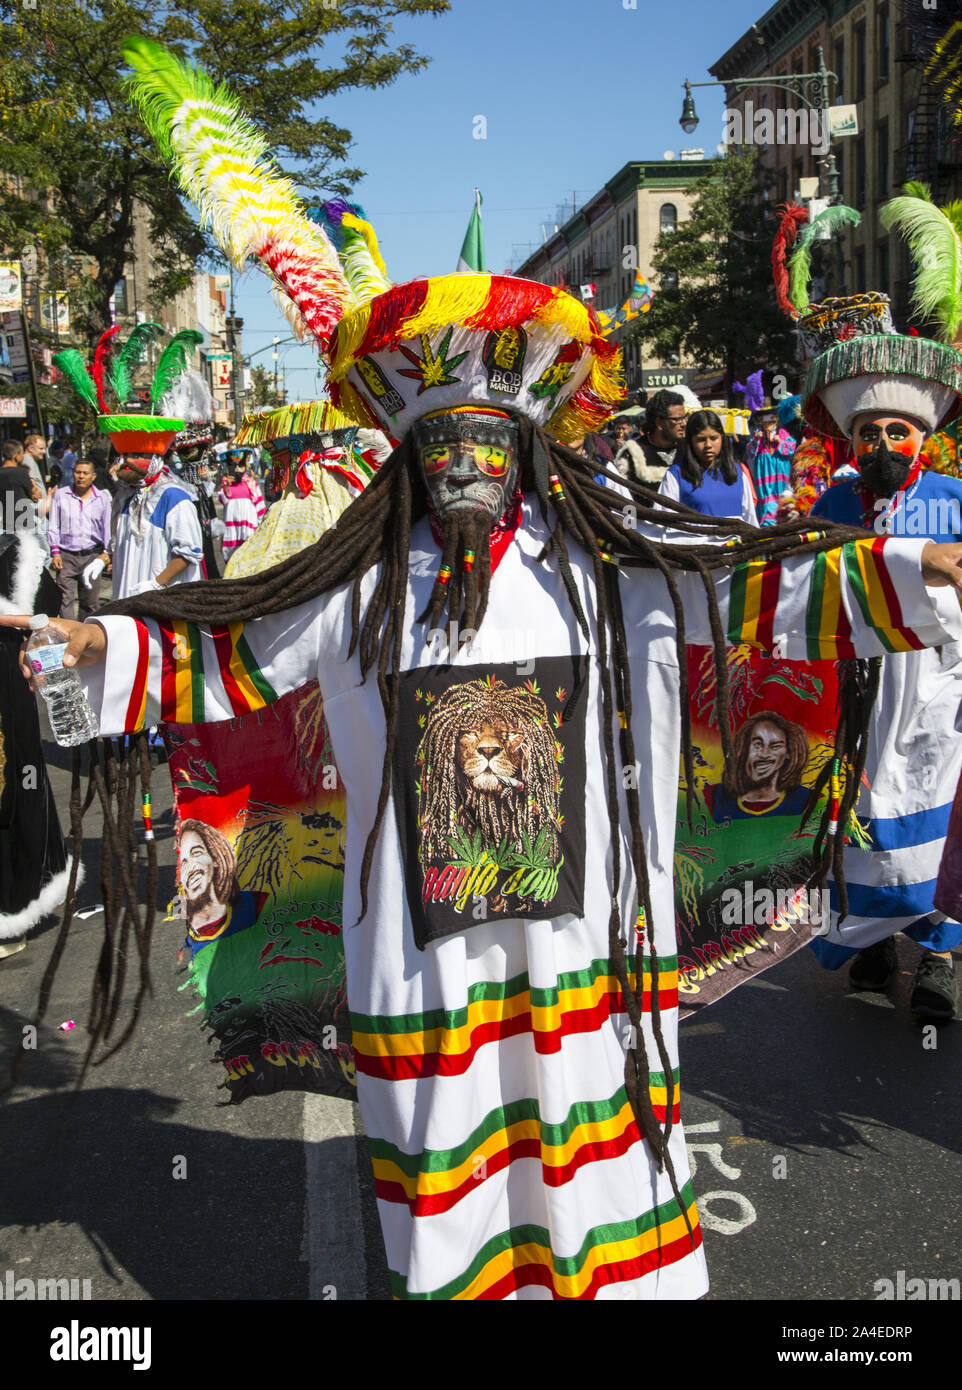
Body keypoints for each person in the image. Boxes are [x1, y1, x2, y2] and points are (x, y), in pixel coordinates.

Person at [14, 39, 962, 1303]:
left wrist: (913, 577)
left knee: (595, 1155)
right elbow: (223, 657)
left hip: (578, 925)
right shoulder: (349, 582)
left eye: (491, 446)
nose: (470, 469)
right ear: (411, 461)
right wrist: (93, 647)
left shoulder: (604, 557)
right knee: (451, 1184)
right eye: (446, 447)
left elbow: (755, 584)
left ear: (527, 454)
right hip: (423, 940)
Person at [806, 329, 962, 1019]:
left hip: (937, 690)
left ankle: (940, 957)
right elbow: (802, 587)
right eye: (868, 433)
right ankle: (871, 937)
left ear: (919, 439)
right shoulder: (834, 507)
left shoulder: (956, 498)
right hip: (857, 692)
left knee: (937, 815)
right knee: (860, 815)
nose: (881, 445)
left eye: (896, 432)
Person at [0, 529, 72, 954]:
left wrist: (27, 631)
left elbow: (45, 614)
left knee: (15, 783)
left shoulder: (17, 550)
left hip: (7, 681)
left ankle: (13, 908)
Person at [111, 448, 204, 599]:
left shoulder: (174, 496)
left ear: (155, 459)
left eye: (137, 455)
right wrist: (102, 559)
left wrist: (155, 584)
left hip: (160, 601)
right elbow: (122, 542)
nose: (128, 461)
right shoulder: (126, 495)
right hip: (128, 597)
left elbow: (188, 553)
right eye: (125, 455)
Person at [659, 409, 757, 524]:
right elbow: (664, 522)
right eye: (701, 440)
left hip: (735, 541)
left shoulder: (737, 473)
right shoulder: (676, 475)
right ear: (690, 442)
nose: (708, 445)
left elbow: (750, 520)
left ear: (722, 438)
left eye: (714, 438)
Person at [708, 712, 811, 821]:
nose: (764, 754)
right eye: (757, 744)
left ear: (788, 753)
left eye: (775, 746)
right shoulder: (712, 798)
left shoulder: (807, 801)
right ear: (745, 747)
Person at [47, 458, 112, 620]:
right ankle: (69, 637)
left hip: (92, 555)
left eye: (85, 473)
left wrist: (107, 555)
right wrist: (55, 552)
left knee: (90, 603)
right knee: (64, 600)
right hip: (65, 556)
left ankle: (85, 636)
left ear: (93, 476)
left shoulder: (102, 499)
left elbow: (107, 529)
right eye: (78, 472)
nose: (81, 476)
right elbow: (54, 525)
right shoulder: (61, 495)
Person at [617, 389, 686, 487]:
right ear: (659, 423)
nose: (684, 424)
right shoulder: (632, 452)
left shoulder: (690, 449)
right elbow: (620, 494)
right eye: (677, 419)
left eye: (684, 418)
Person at [746, 405, 796, 525]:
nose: (769, 424)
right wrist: (756, 441)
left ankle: (782, 515)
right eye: (766, 421)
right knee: (765, 494)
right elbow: (750, 452)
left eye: (772, 421)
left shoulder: (782, 433)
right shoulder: (758, 434)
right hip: (764, 470)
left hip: (780, 468)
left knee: (781, 492)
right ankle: (766, 519)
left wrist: (780, 441)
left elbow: (792, 447)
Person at [218, 447, 266, 557]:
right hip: (233, 525)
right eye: (234, 466)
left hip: (248, 522)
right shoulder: (227, 484)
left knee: (249, 549)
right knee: (232, 552)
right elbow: (223, 500)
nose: (237, 469)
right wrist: (226, 487)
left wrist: (261, 522)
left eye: (240, 466)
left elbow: (259, 504)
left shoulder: (251, 483)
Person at [1, 440, 40, 534]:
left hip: (6, 525)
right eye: (22, 454)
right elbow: (35, 496)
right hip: (25, 523)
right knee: (44, 548)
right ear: (16, 456)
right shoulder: (20, 473)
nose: (23, 457)